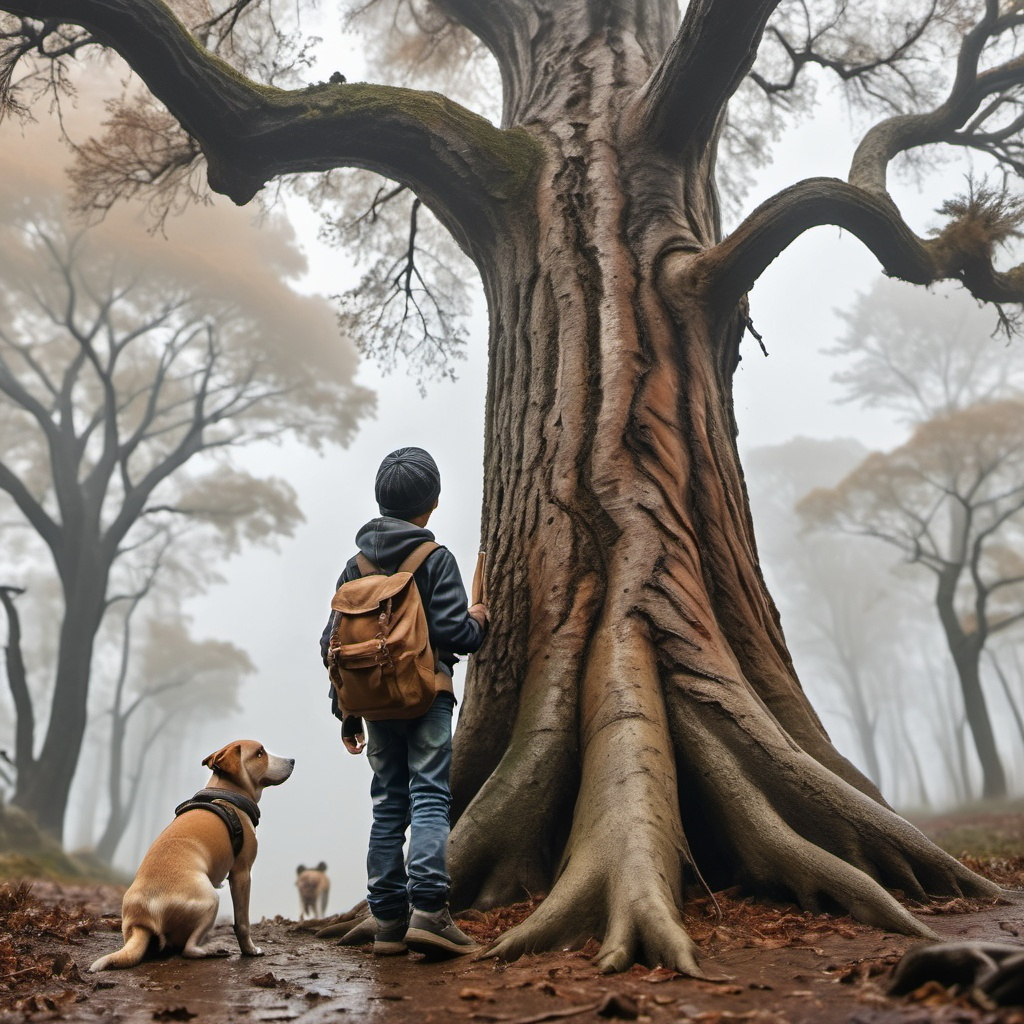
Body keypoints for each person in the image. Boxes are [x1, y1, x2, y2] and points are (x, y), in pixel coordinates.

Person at [320, 447, 488, 959]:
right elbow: (456, 634)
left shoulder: (355, 565)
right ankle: (431, 913)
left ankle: (389, 919)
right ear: (432, 504)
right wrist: (480, 616)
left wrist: (345, 709)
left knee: (388, 801)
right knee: (430, 797)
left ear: (379, 501)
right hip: (426, 697)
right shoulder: (435, 560)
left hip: (373, 707)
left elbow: (335, 643)